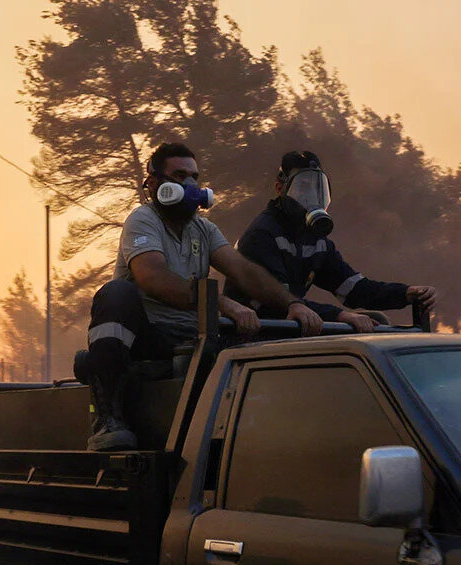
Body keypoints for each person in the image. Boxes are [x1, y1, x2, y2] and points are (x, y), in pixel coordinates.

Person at [81, 142, 323, 450]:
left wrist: (293, 304)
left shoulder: (204, 230)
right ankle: (106, 417)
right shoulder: (143, 220)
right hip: (147, 336)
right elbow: (151, 277)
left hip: (191, 335)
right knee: (115, 293)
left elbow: (245, 272)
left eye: (194, 176)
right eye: (180, 175)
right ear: (155, 184)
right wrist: (219, 302)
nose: (190, 185)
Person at [231, 150, 437, 332]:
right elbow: (279, 301)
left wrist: (406, 293)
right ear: (279, 189)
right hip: (251, 336)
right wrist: (339, 315)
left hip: (287, 331)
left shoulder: (315, 241)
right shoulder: (262, 234)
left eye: (317, 188)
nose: (311, 196)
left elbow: (354, 289)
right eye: (303, 188)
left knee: (376, 321)